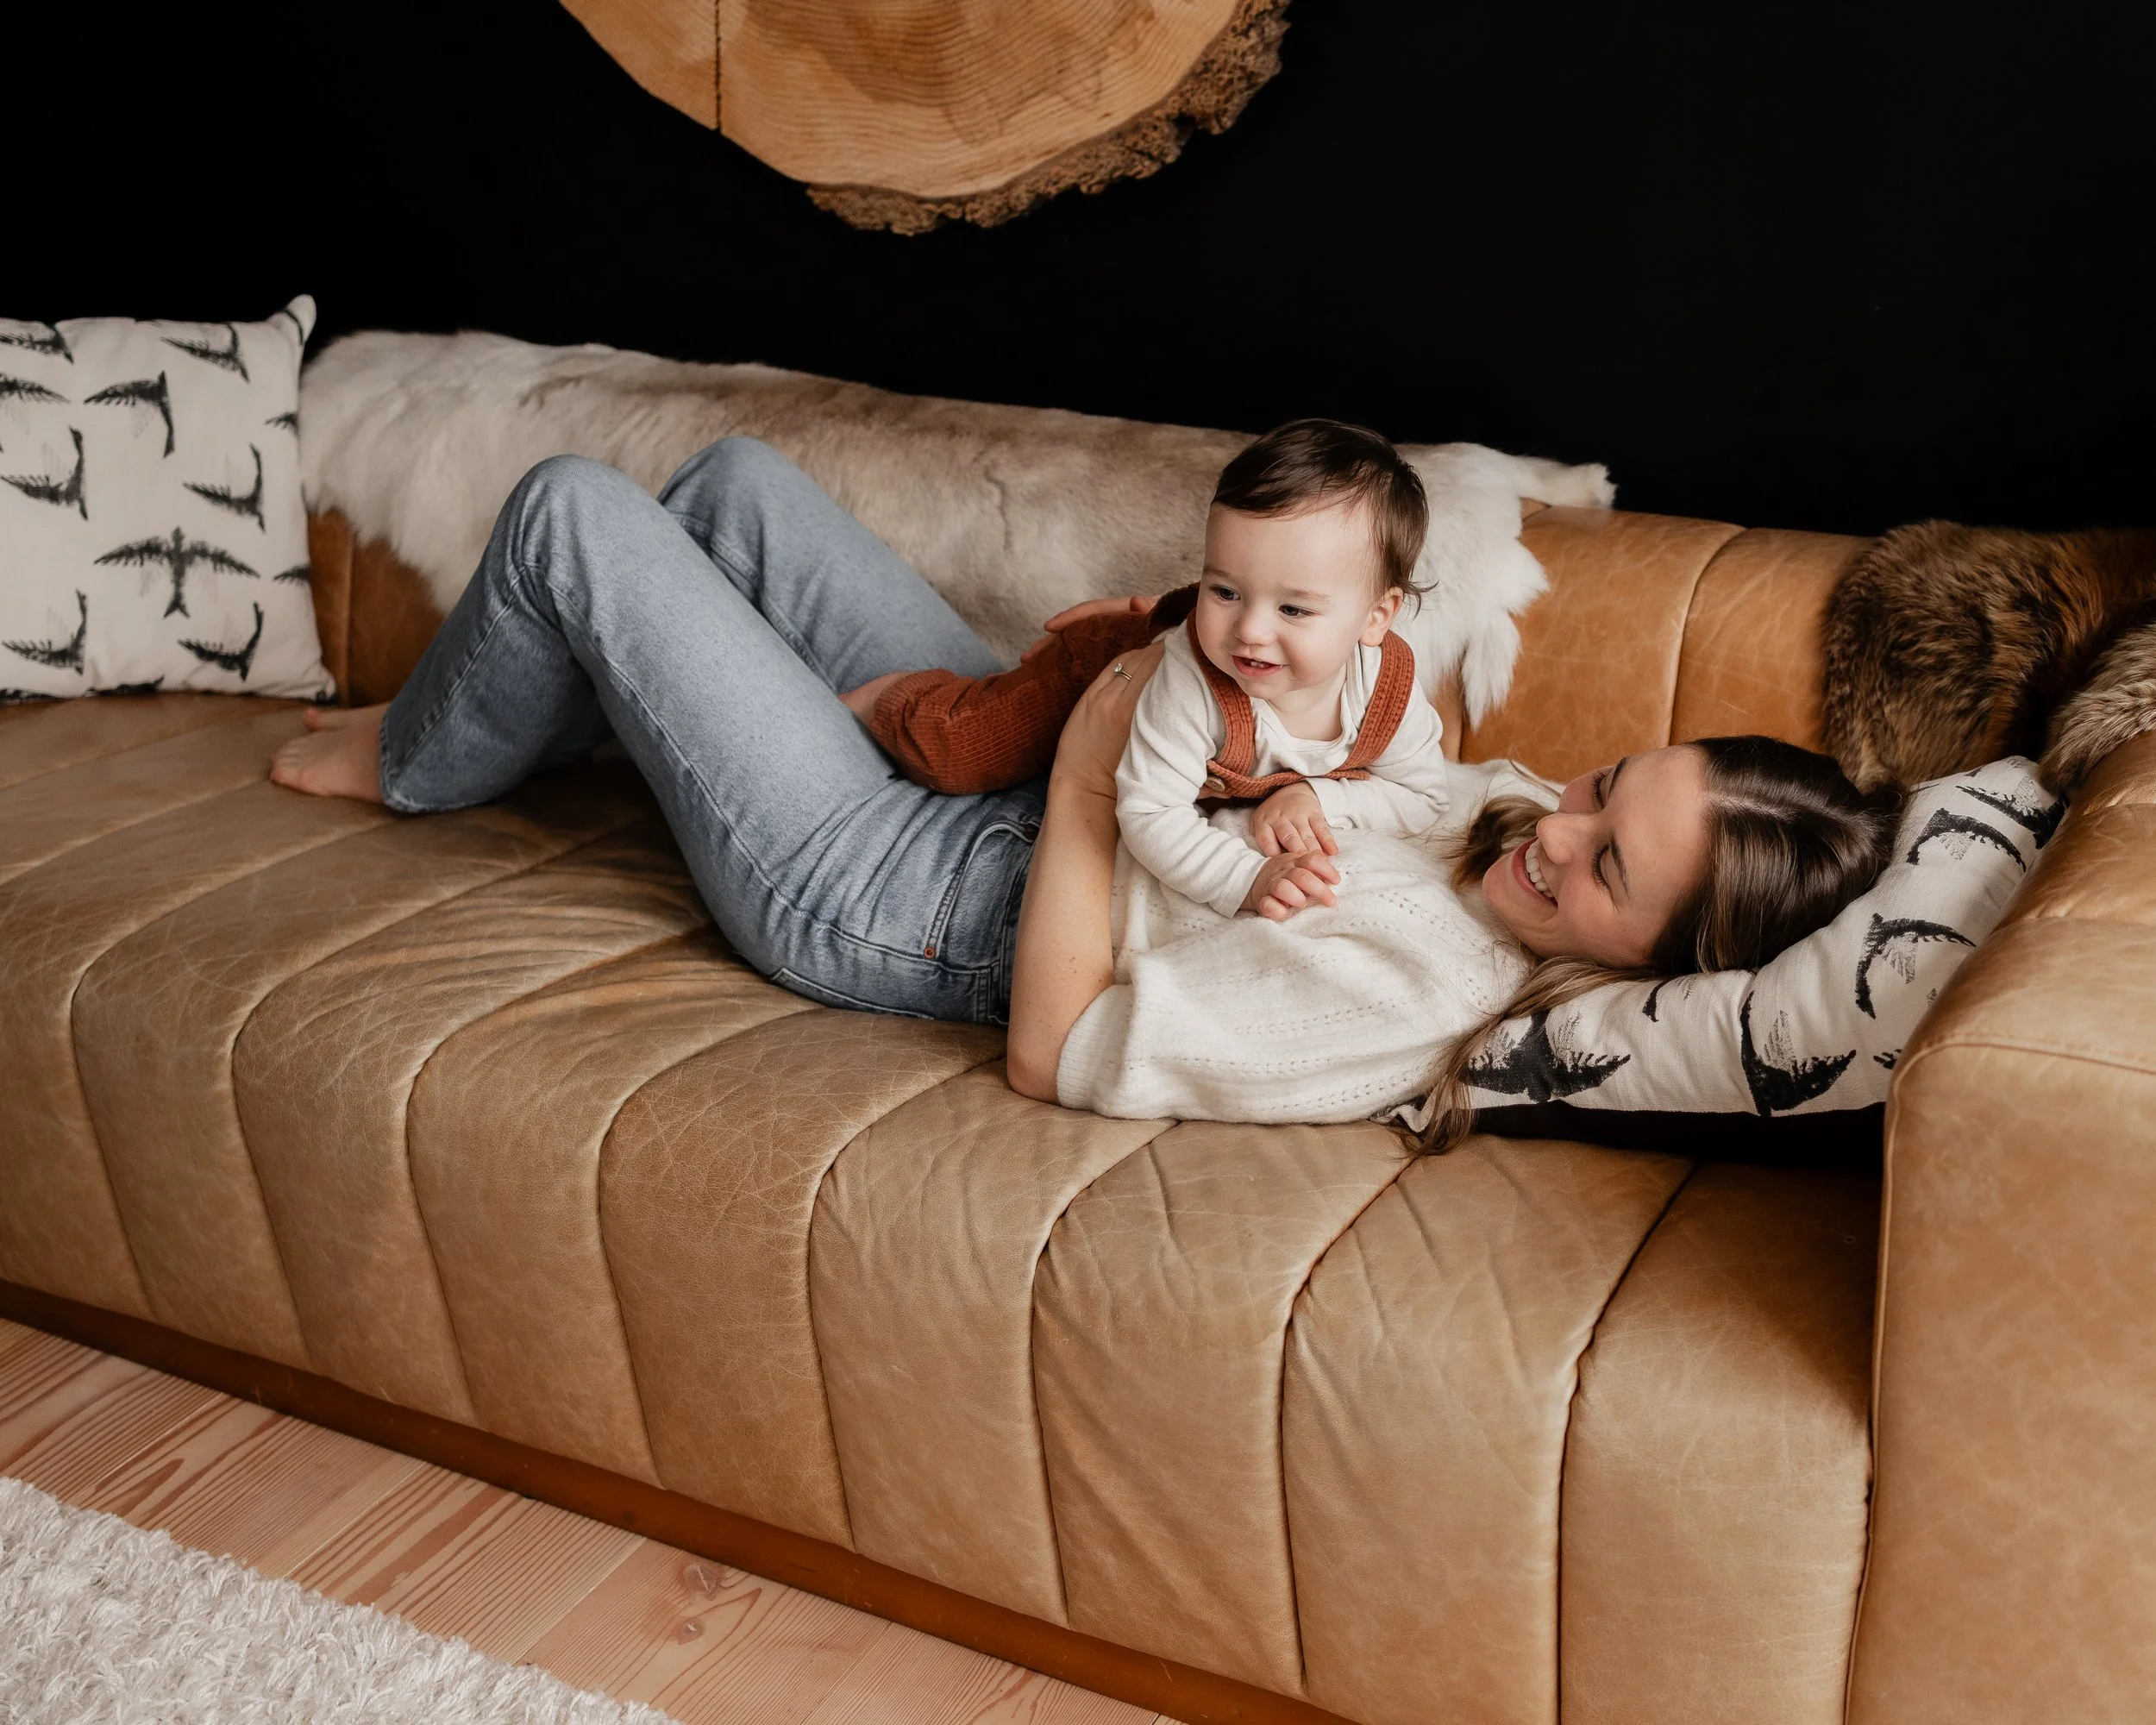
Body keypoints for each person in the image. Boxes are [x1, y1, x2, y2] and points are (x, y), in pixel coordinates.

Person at [271, 436, 1899, 1137]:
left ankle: (416, 760)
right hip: (1041, 781)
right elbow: (1367, 744)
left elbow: (1053, 1057)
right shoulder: (1516, 829)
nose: (1556, 825)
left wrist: (1080, 779)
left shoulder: (1415, 987)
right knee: (730, 490)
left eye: (1604, 869)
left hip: (910, 901)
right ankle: (606, 704)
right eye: (1605, 788)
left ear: (1649, 964)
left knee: (571, 510)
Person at [1113, 420, 1453, 923]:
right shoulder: (1194, 679)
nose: (1249, 630)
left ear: (1375, 617)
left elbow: (1424, 797)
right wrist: (1245, 877)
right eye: (1225, 592)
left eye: (1293, 609)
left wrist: (1313, 794)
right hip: (1104, 667)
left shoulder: (1385, 694)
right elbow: (1149, 811)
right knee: (968, 744)